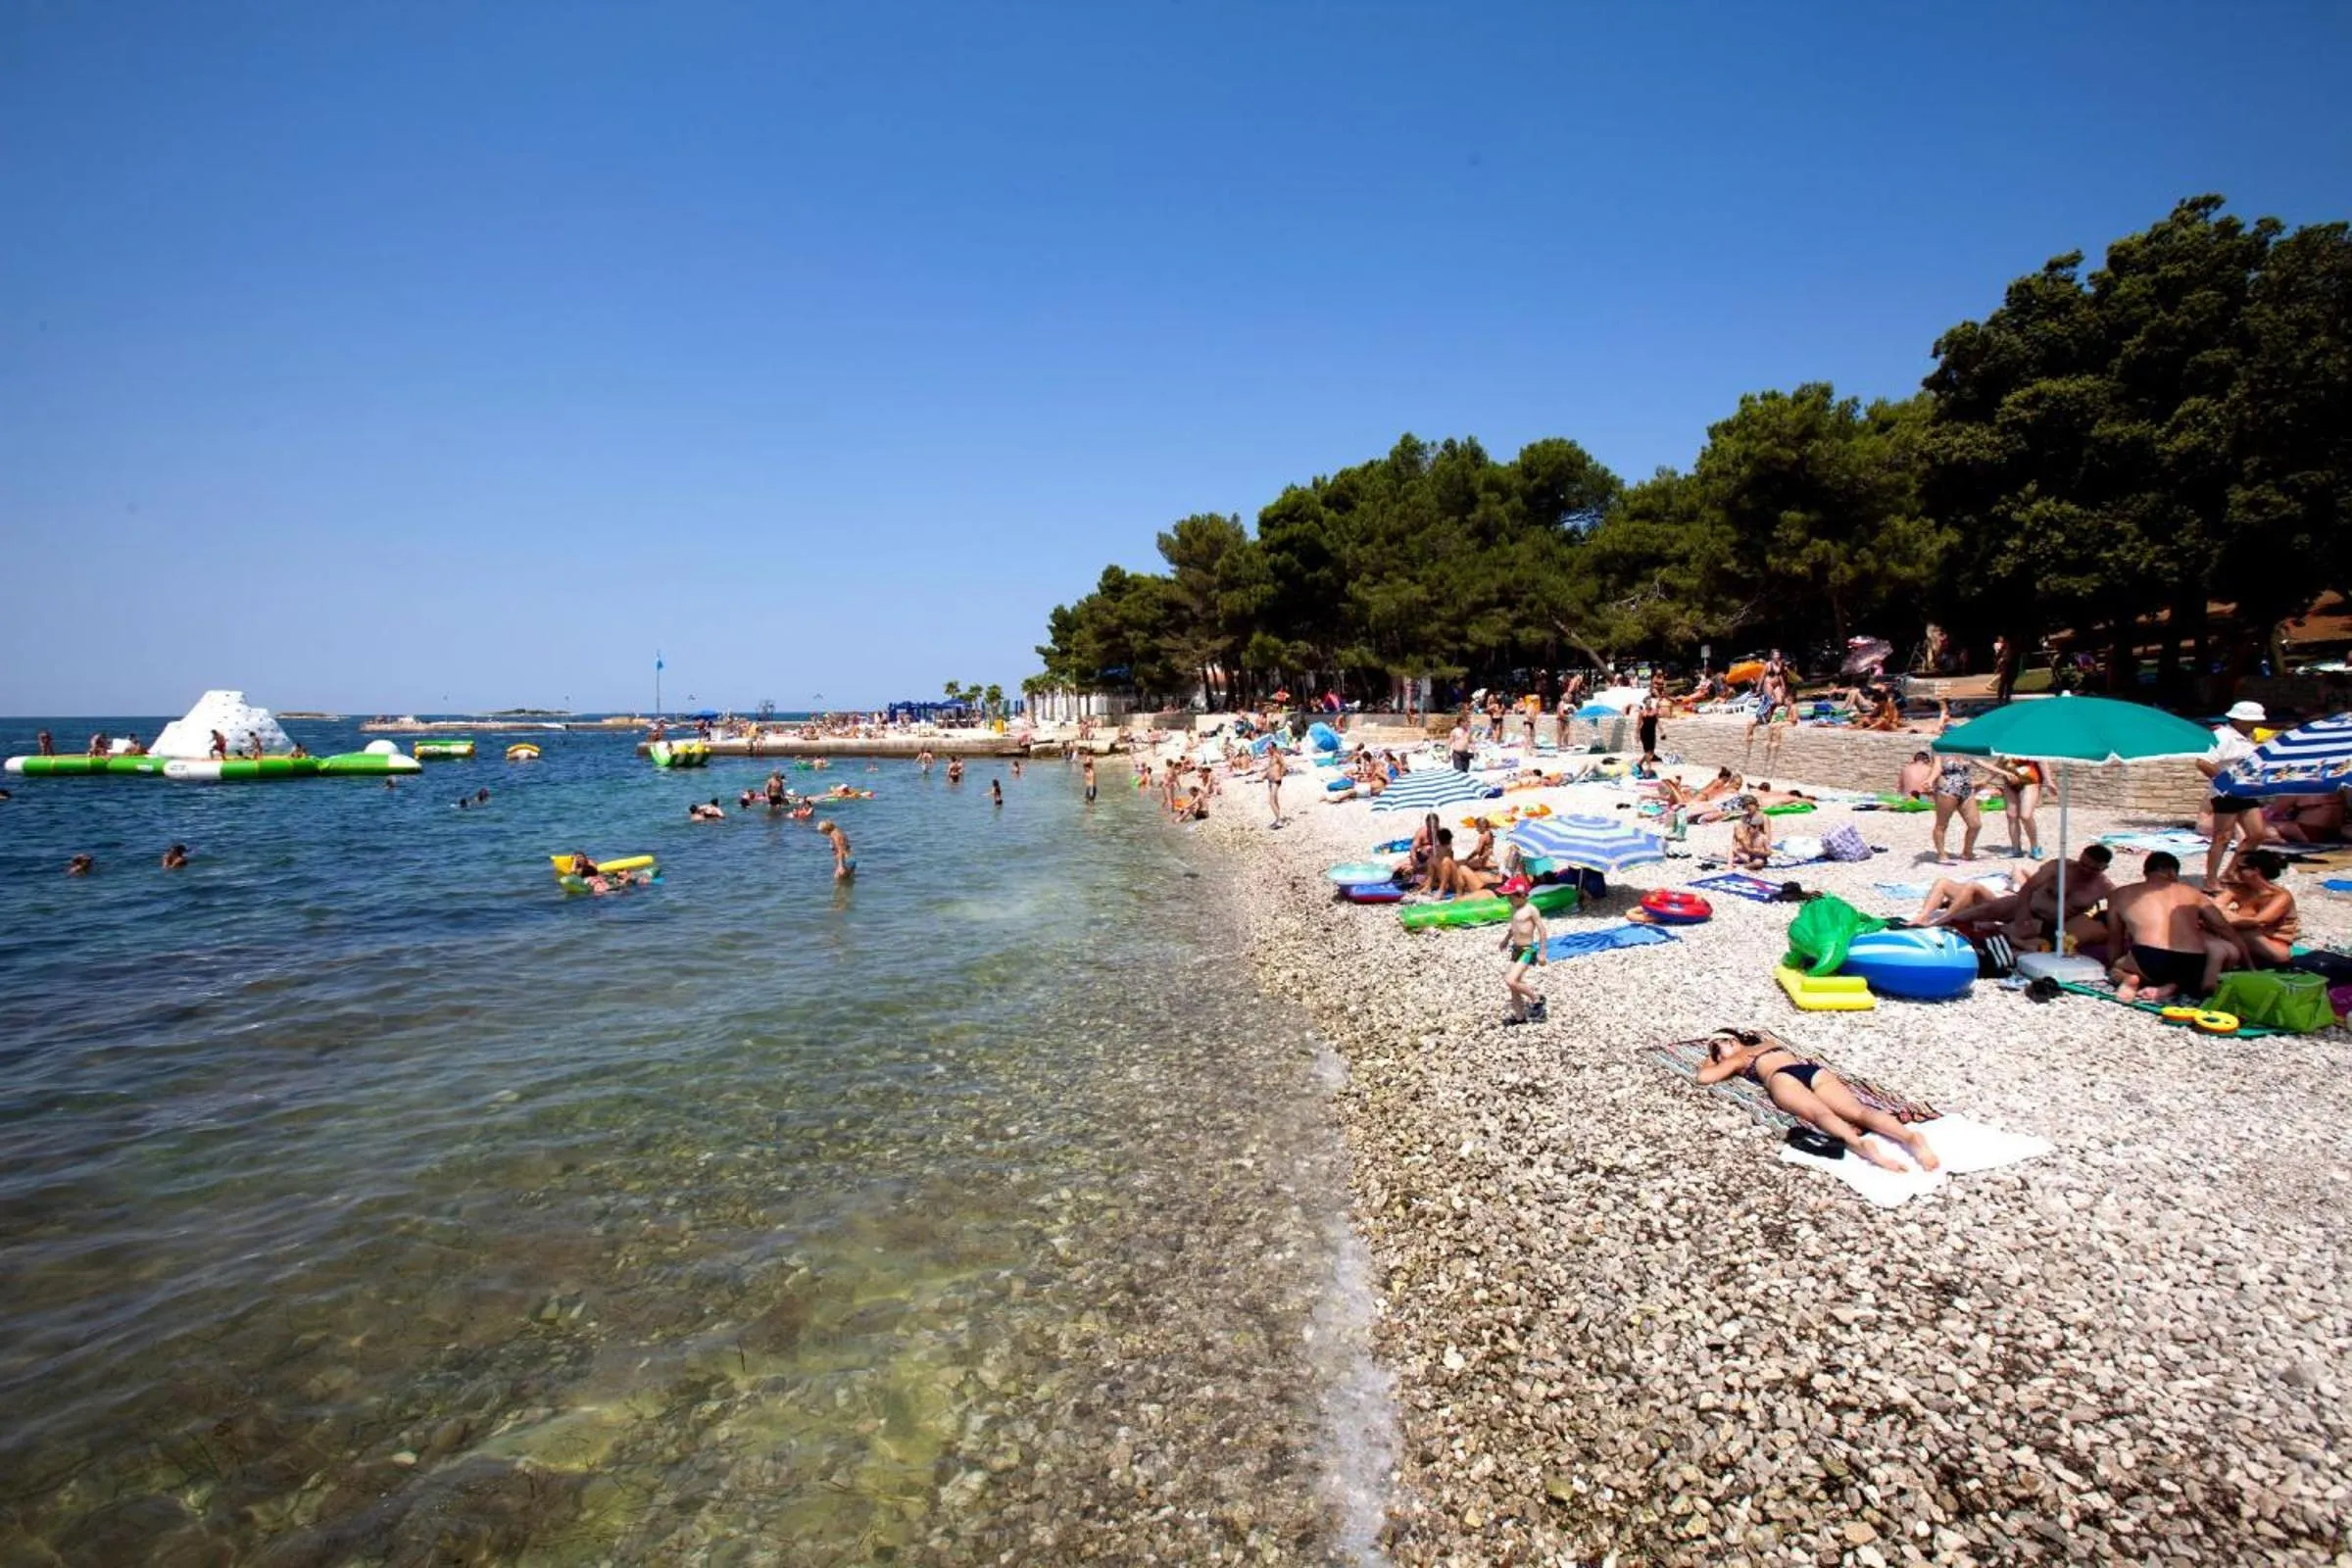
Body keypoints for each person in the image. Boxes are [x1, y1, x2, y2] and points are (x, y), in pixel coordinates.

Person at [1696, 1029, 1939, 1173]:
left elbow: (1704, 1078)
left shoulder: (1737, 1060)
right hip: (1811, 1071)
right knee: (1858, 1110)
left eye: (1717, 1049)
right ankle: (1910, 1138)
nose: (1720, 1053)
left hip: (1782, 1079)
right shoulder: (1768, 1043)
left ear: (1729, 1045)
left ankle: (1858, 1144)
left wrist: (1710, 1060)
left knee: (1822, 1115)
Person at [1916, 845, 2115, 947]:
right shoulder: (2060, 867)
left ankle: (1966, 937)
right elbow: (2028, 888)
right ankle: (1932, 928)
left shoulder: (2104, 888)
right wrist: (2022, 913)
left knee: (2000, 933)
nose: (2085, 870)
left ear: (2104, 868)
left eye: (2093, 869)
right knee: (1980, 911)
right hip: (2026, 904)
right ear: (2080, 857)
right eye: (2084, 864)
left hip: (2047, 922)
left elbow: (2119, 912)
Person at [2107, 852, 2240, 1003]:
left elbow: (2114, 937)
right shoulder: (2194, 894)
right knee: (2186, 972)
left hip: (2149, 958)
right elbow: (2223, 927)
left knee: (2117, 967)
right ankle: (2175, 985)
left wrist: (2113, 963)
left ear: (2146, 872)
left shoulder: (2119, 894)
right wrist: (2249, 962)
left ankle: (2128, 978)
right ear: (2173, 872)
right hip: (2193, 962)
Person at [2198, 701, 2270, 887]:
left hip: (2245, 791)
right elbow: (2204, 762)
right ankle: (2211, 880)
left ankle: (2231, 872)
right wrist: (2225, 782)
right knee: (2222, 837)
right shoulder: (2222, 736)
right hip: (2227, 793)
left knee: (2257, 834)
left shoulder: (2247, 737)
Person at [2213, 849, 2298, 970]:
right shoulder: (2239, 889)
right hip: (2245, 940)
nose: (2234, 871)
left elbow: (2259, 921)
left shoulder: (2280, 896)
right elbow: (2213, 906)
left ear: (2255, 870)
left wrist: (2225, 919)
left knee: (2244, 930)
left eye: (2240, 868)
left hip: (2273, 947)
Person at [1497, 876, 1549, 1025]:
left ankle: (1537, 999)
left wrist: (1542, 952)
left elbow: (1542, 930)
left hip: (1527, 950)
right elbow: (1513, 926)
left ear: (1521, 895)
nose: (1508, 899)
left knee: (1510, 980)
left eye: (1511, 896)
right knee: (1513, 985)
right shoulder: (1513, 908)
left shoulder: (1530, 910)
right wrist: (1506, 939)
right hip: (1516, 949)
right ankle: (1520, 1017)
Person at [1930, 752, 1983, 863]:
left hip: (1966, 790)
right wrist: (1930, 780)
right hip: (1947, 790)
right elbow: (1937, 768)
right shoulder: (1939, 751)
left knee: (1975, 824)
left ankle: (1967, 853)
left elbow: (1983, 763)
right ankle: (1941, 855)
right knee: (1942, 824)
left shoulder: (1964, 749)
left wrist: (2002, 771)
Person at [1992, 757, 2043, 858]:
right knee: (2011, 816)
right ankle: (2016, 849)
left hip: (2029, 781)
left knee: (2026, 816)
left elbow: (2042, 762)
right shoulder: (2003, 751)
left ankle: (2035, 847)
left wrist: (2049, 781)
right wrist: (1983, 781)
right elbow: (1996, 767)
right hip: (2009, 784)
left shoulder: (2028, 747)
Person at [1730, 798, 1773, 869]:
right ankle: (1730, 864)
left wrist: (1762, 846)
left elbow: (1767, 834)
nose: (1748, 808)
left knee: (1758, 861)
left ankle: (1745, 861)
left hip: (1758, 844)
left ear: (1755, 805)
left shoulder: (1763, 817)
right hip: (1747, 844)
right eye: (1746, 807)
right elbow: (1739, 833)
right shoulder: (1744, 817)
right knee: (1737, 824)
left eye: (1749, 806)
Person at [1638, 677, 1666, 759]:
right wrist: (1637, 735)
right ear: (1645, 704)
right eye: (1648, 702)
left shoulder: (1654, 711)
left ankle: (1649, 761)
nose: (1649, 704)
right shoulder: (1642, 712)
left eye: (1650, 702)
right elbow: (1638, 724)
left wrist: (1662, 731)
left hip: (1652, 732)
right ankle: (1648, 765)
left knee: (1652, 748)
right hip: (1644, 732)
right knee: (1647, 749)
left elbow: (1658, 722)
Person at [1992, 635, 2018, 706]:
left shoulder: (2011, 645)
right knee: (2004, 682)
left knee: (2009, 682)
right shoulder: (2005, 645)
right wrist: (1998, 664)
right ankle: (2000, 698)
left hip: (2011, 664)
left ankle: (2007, 698)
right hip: (2005, 665)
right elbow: (1998, 655)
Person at [1265, 745, 1286, 828]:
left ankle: (1279, 821)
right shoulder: (1271, 757)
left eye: (1269, 748)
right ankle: (1278, 819)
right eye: (1267, 749)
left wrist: (1281, 775)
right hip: (1270, 780)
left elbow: (1284, 765)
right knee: (1275, 800)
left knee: (1271, 801)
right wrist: (1263, 776)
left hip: (1275, 780)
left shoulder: (1277, 755)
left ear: (1273, 748)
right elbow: (1270, 769)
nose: (1267, 750)